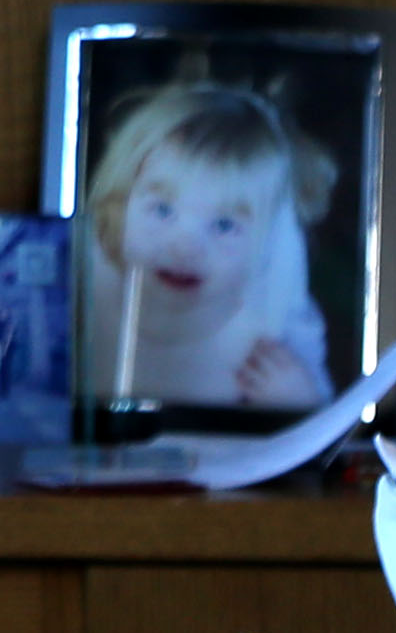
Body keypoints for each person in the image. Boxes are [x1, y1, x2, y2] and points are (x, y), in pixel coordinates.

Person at [77, 82, 334, 413]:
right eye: (162, 210)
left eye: (224, 225)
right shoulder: (85, 284)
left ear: (268, 242)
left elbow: (330, 441)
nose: (185, 248)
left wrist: (299, 400)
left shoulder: (270, 324)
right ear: (122, 202)